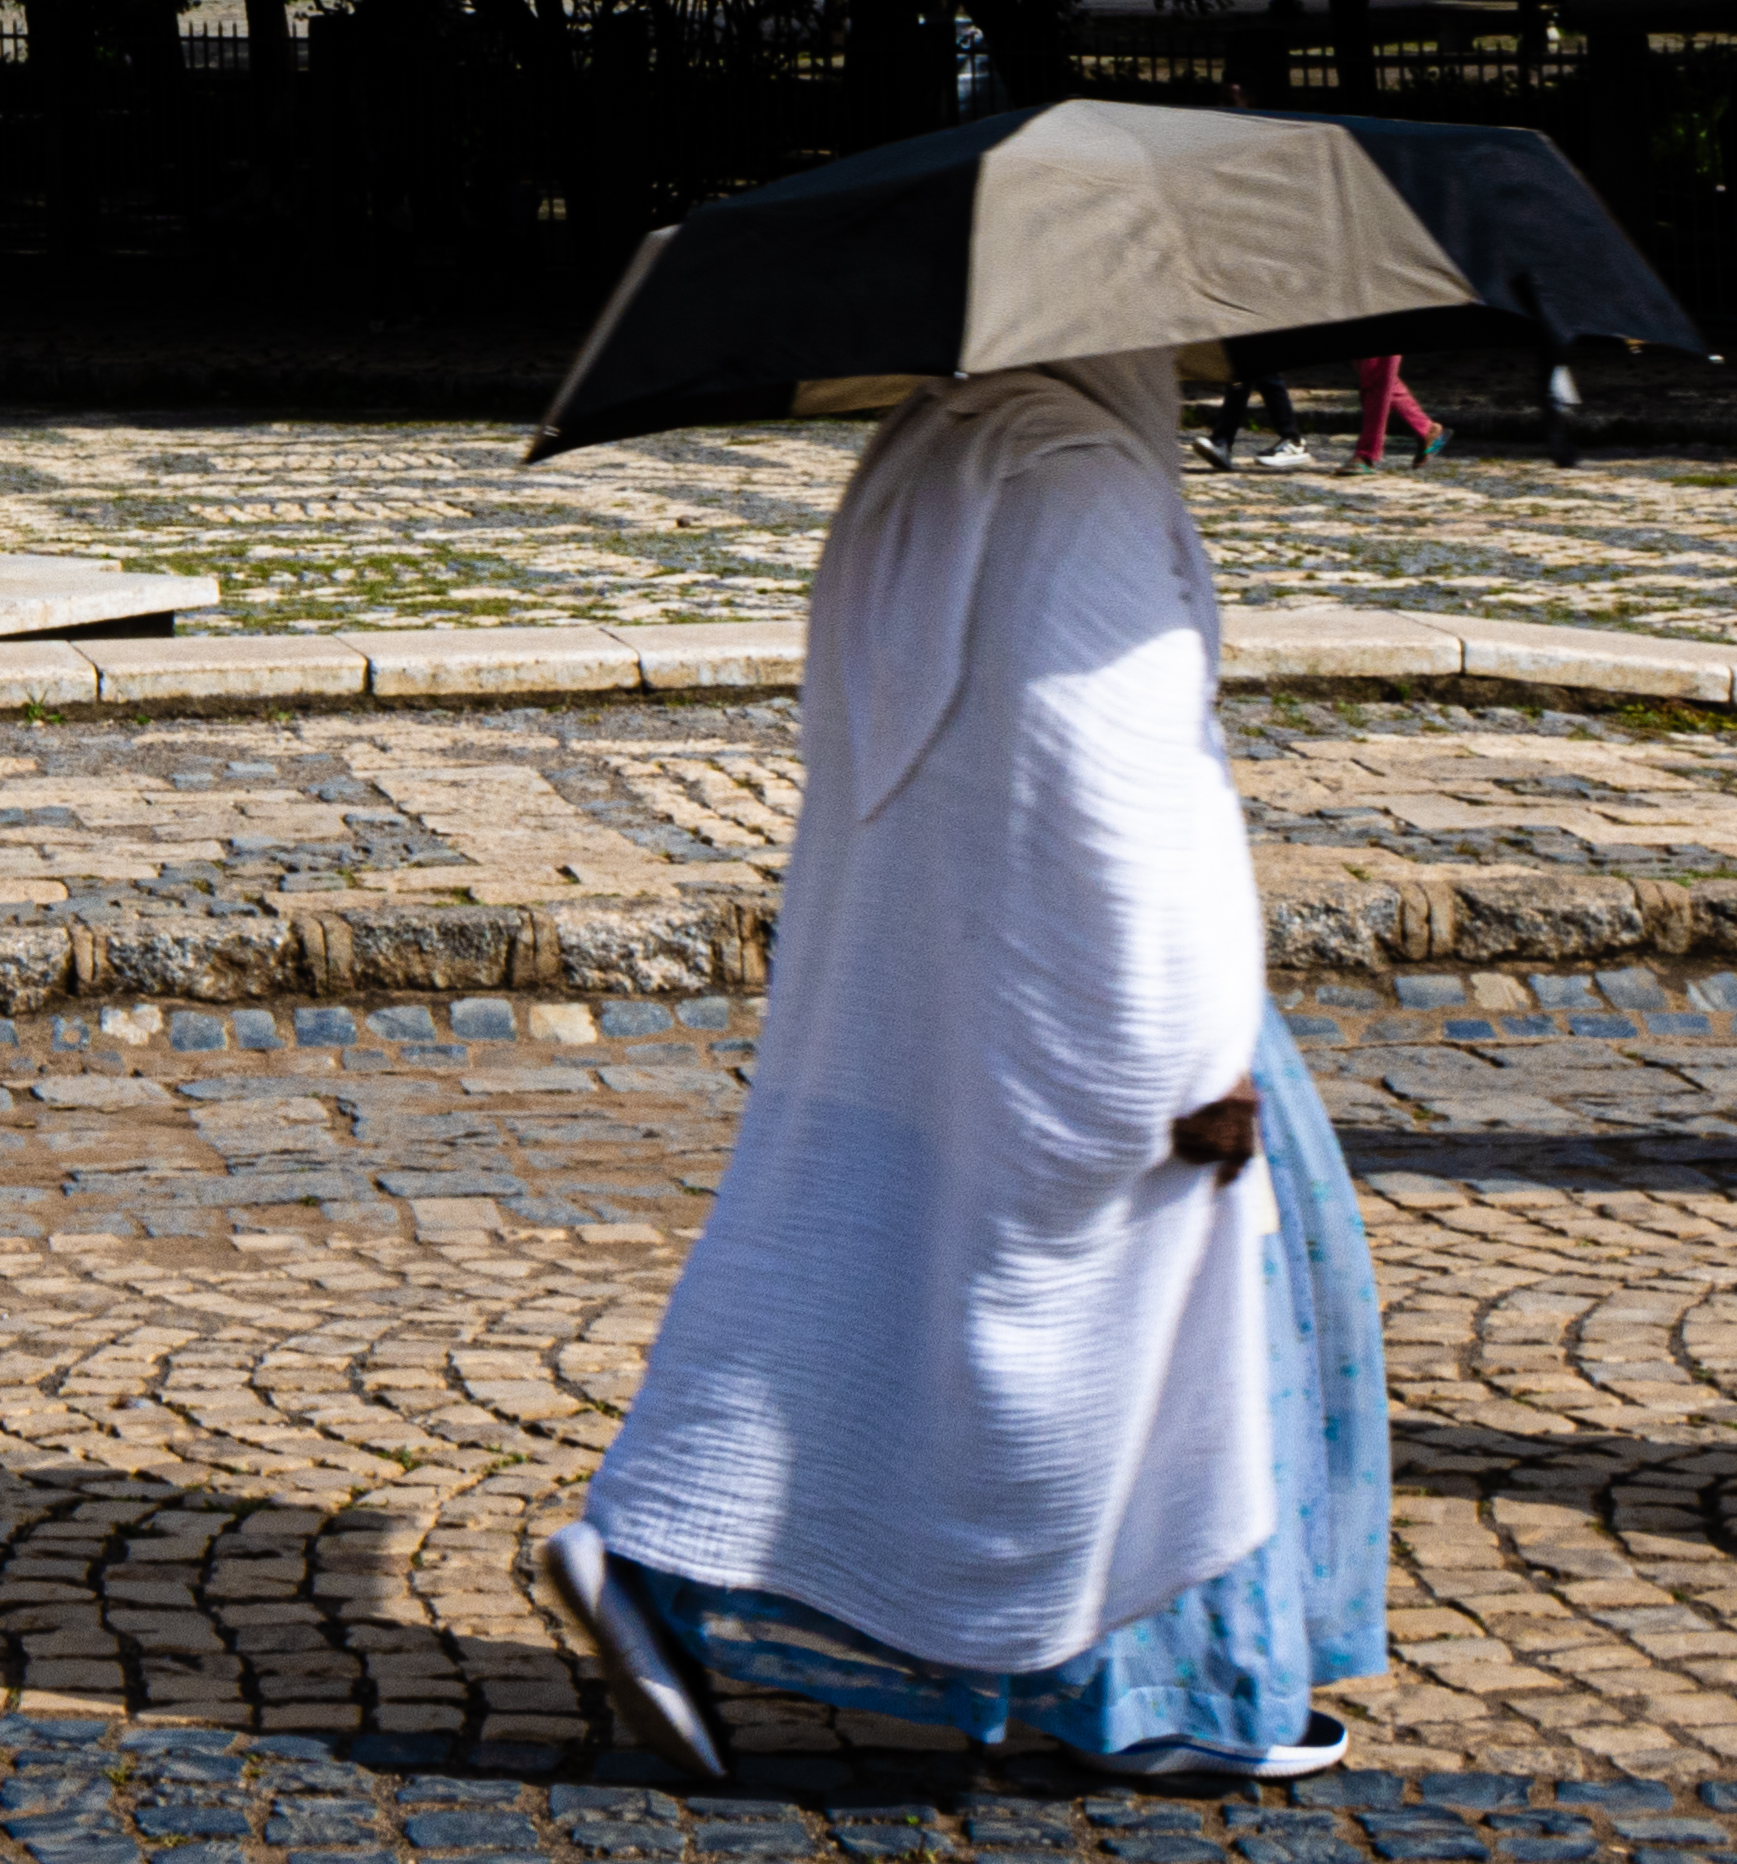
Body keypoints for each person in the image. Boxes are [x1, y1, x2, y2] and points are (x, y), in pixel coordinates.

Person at [519, 357, 1387, 1788]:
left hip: (917, 974)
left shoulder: (933, 452)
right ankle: (1166, 1688)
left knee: (858, 1315)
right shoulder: (1081, 482)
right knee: (1147, 1350)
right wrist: (1184, 1063)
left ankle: (656, 1561)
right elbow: (1123, 799)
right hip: (1091, 1000)